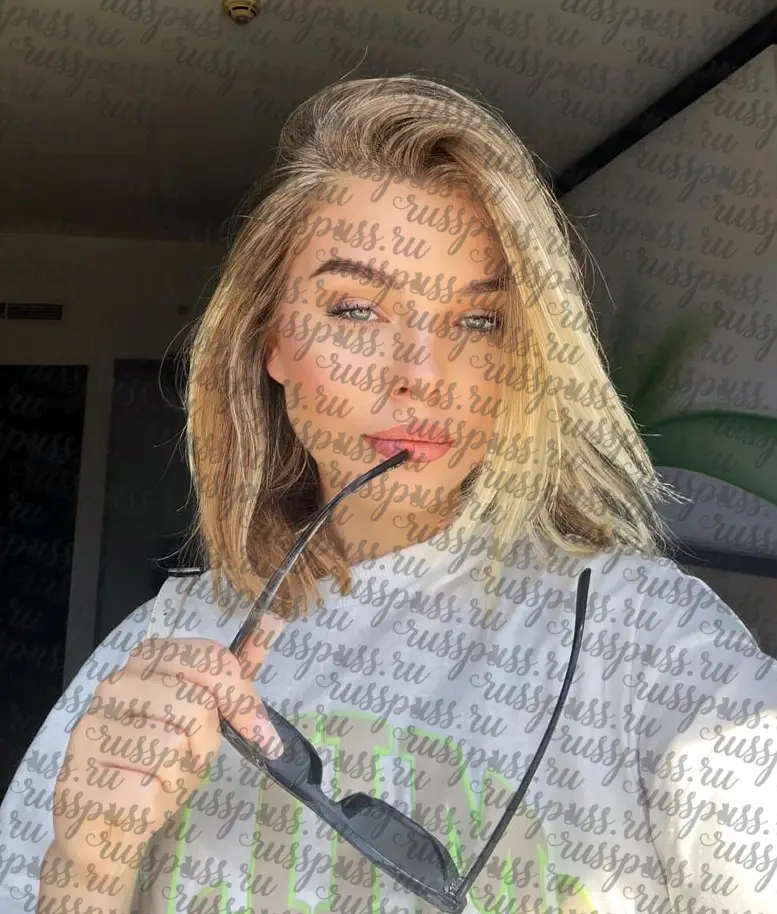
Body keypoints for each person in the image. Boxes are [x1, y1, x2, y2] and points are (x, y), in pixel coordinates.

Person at [1, 75, 775, 914]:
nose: (423, 375)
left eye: (477, 321)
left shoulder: (645, 637)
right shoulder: (164, 638)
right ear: (270, 341)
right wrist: (86, 864)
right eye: (358, 311)